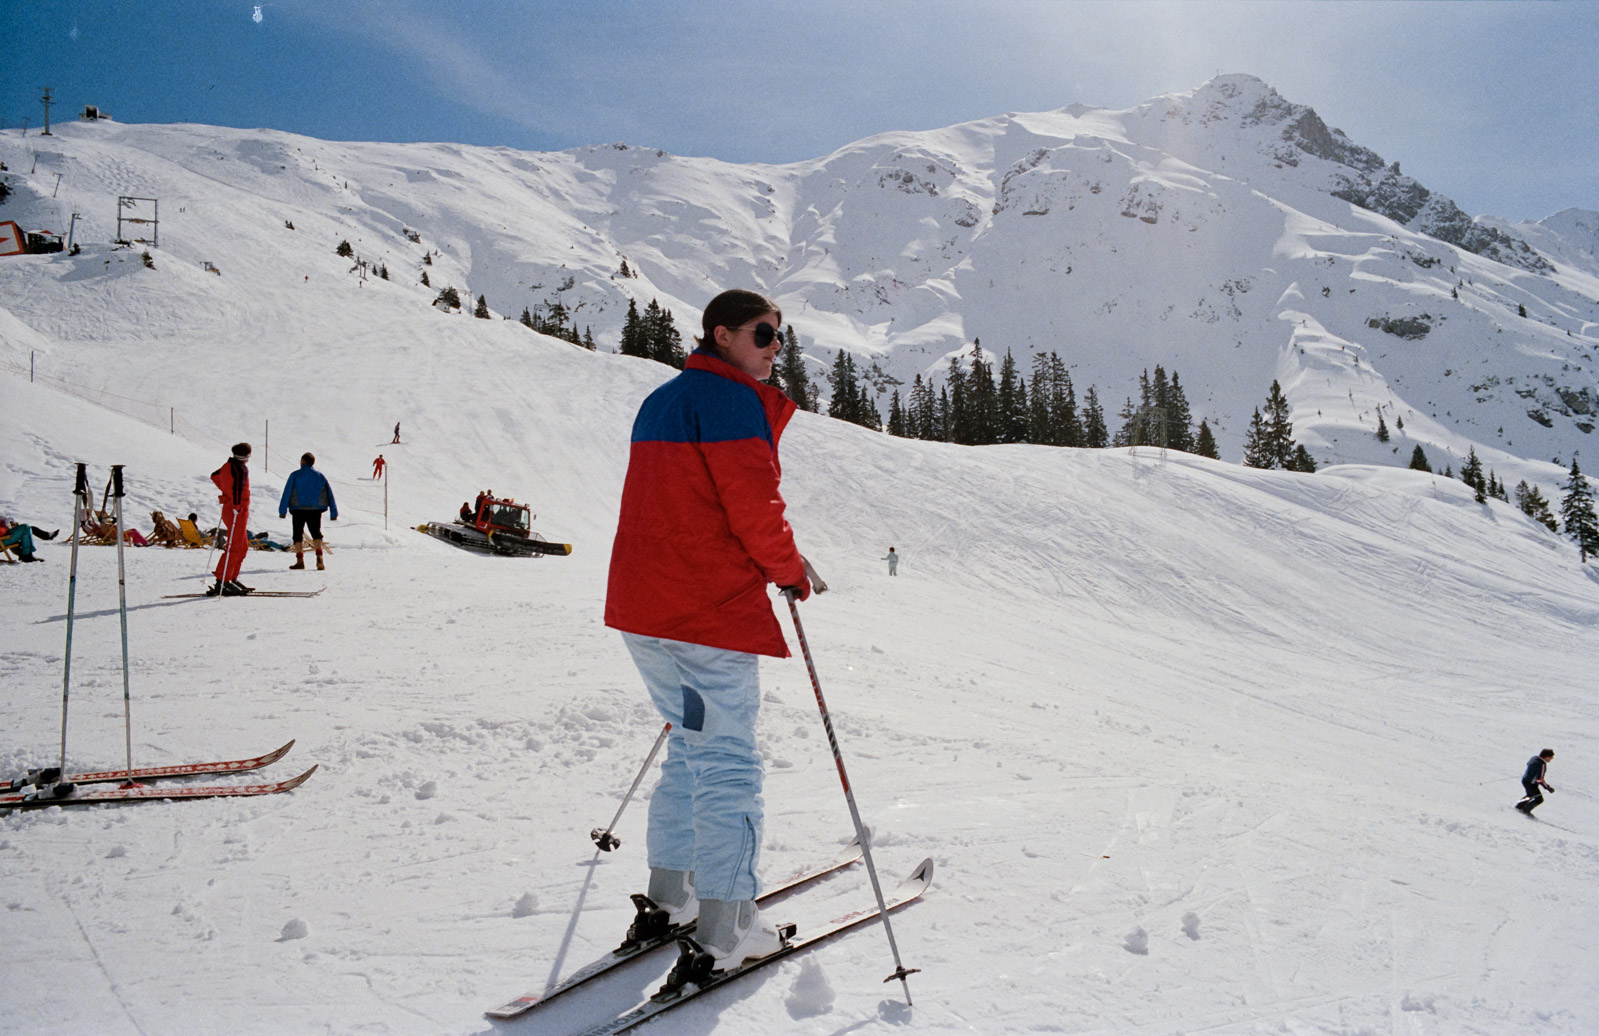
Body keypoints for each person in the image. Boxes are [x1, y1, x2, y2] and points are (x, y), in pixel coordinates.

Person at [605, 288, 810, 970]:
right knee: (726, 761)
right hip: (705, 612)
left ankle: (673, 895)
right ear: (721, 335)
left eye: (779, 336)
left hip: (645, 610)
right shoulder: (729, 401)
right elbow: (754, 507)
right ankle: (728, 927)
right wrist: (788, 569)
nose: (774, 348)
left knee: (690, 748)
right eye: (762, 334)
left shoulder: (663, 399)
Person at [279, 452, 338, 571]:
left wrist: (282, 511)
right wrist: (333, 512)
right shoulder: (320, 476)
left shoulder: (295, 475)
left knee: (297, 535)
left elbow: (287, 493)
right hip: (315, 510)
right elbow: (330, 494)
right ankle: (319, 559)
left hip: (298, 509)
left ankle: (300, 561)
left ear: (302, 461)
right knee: (316, 533)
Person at [208, 442, 253, 596]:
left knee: (242, 546)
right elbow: (238, 488)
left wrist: (225, 493)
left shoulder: (228, 465)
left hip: (231, 509)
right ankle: (223, 580)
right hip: (237, 510)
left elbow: (215, 476)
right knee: (235, 547)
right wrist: (236, 504)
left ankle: (231, 577)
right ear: (247, 456)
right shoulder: (240, 468)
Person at [1516, 749, 1556, 815]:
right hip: (1531, 784)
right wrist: (1547, 787)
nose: (1551, 759)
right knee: (1539, 799)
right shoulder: (1542, 764)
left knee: (1530, 795)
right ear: (1547, 756)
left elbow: (1528, 764)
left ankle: (1518, 807)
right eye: (1551, 757)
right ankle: (1525, 811)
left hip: (1525, 780)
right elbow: (1540, 779)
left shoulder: (1534, 758)